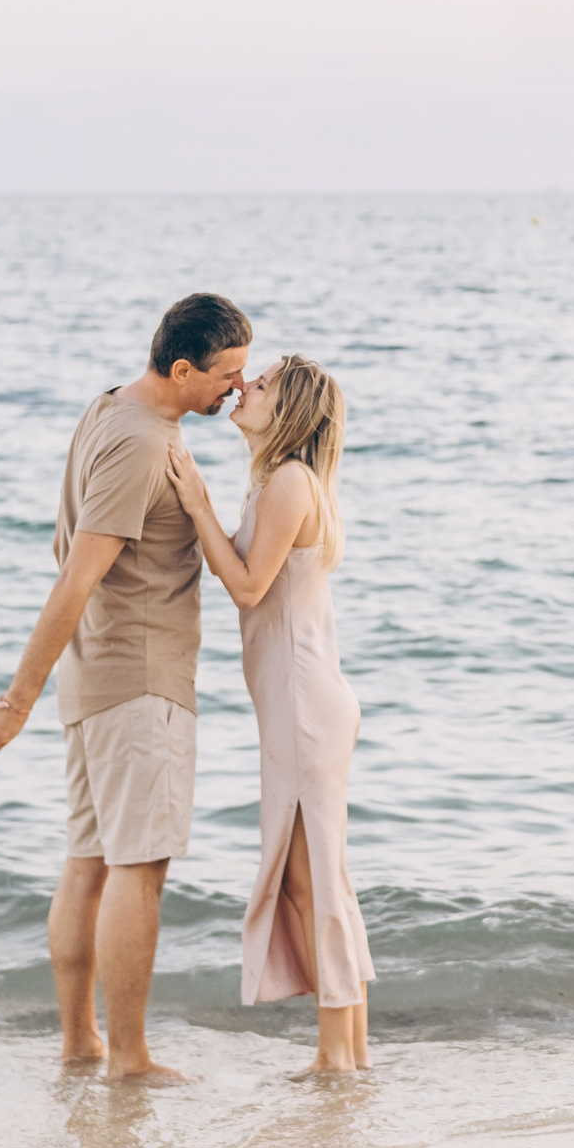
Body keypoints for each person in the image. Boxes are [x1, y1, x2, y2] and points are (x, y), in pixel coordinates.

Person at [0, 293, 252, 1083]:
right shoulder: (141, 443)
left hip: (97, 679)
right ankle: (128, 1058)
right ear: (182, 368)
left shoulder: (109, 407)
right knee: (137, 867)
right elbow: (77, 575)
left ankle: (82, 1043)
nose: (237, 386)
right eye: (226, 374)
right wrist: (18, 697)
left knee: (87, 861)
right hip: (139, 681)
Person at [164, 355, 373, 1073]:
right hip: (302, 699)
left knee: (312, 880)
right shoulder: (281, 482)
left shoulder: (288, 483)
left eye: (262, 384)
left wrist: (198, 504)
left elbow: (249, 588)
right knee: (321, 877)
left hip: (302, 702)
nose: (244, 386)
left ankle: (336, 1055)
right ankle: (351, 1050)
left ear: (288, 411)